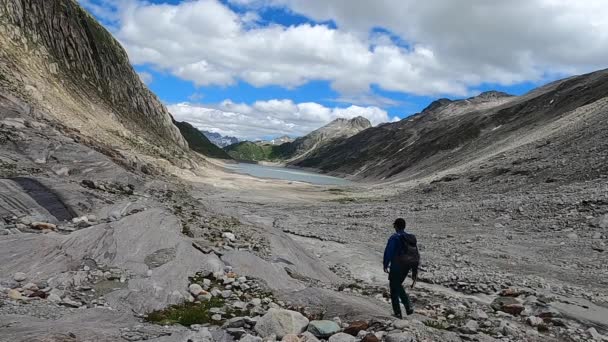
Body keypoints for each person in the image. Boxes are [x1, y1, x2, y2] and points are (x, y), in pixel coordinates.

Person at [383, 218, 417, 318]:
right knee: (395, 286)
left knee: (395, 285)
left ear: (396, 226)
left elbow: (389, 251)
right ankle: (398, 312)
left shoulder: (395, 238)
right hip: (407, 266)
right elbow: (415, 254)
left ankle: (407, 306)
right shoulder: (409, 238)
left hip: (397, 265)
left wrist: (385, 264)